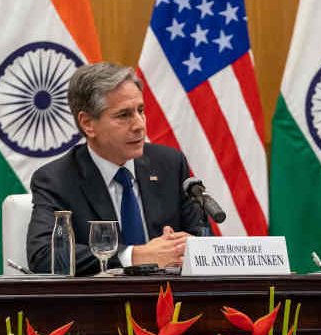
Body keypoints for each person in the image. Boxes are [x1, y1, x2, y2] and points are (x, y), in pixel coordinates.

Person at [27, 62, 208, 276]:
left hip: (170, 301)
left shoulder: (170, 164)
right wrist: (133, 256)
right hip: (99, 306)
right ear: (88, 124)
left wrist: (189, 247)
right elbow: (44, 255)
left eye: (140, 110)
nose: (139, 124)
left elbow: (203, 239)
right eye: (124, 115)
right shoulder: (57, 179)